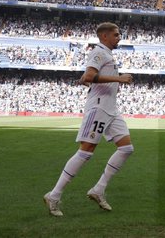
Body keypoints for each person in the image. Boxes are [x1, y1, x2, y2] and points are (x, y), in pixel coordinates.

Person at [43, 22, 134, 217]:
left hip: (111, 108)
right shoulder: (99, 52)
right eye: (116, 35)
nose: (119, 37)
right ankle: (54, 195)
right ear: (104, 37)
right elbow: (90, 75)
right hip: (99, 107)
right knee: (86, 152)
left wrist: (87, 80)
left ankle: (99, 189)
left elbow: (87, 77)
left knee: (126, 148)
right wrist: (119, 79)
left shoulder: (106, 54)